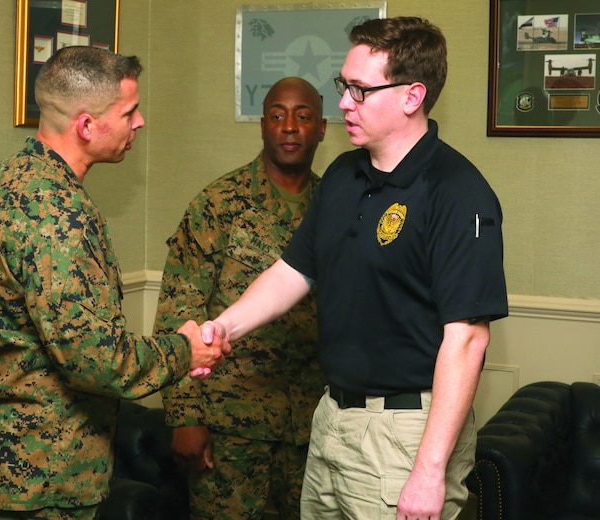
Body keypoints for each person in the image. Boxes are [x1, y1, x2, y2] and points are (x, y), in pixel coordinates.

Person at [197, 17, 508, 519]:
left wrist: (429, 471)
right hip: (332, 417)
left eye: (360, 90)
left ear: (412, 96)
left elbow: (468, 338)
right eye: (344, 85)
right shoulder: (343, 174)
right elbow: (293, 272)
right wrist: (223, 327)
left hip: (406, 434)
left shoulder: (457, 192)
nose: (343, 103)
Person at [0, 46, 229, 520]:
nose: (140, 123)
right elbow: (97, 360)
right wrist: (185, 350)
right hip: (39, 474)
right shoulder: (58, 214)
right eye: (129, 111)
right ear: (86, 126)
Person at [154, 77, 327, 520]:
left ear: (323, 129)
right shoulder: (218, 204)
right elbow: (180, 309)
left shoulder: (337, 206)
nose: (289, 127)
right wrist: (184, 415)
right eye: (277, 116)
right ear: (263, 126)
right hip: (230, 424)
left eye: (303, 117)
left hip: (313, 424)